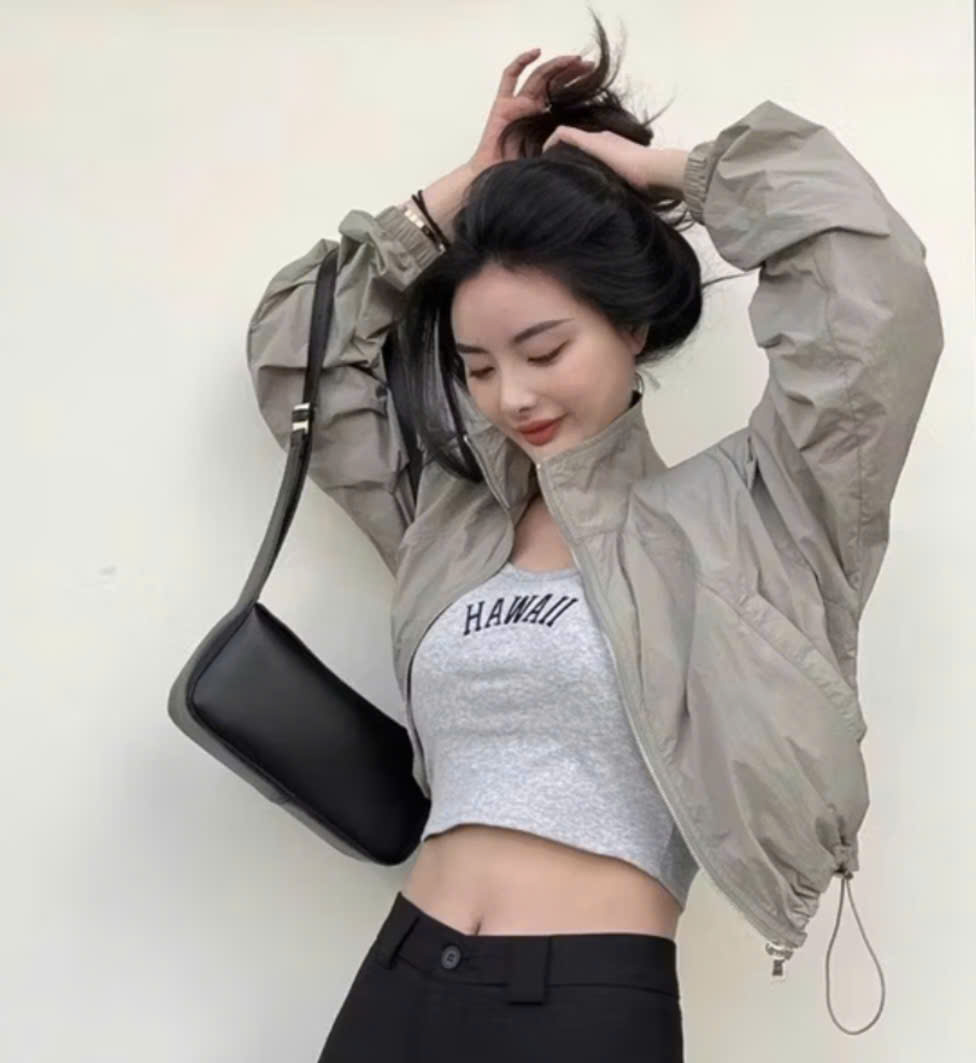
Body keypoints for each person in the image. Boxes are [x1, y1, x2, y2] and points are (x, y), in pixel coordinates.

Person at [245, 14, 943, 1061]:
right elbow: (297, 357)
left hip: (586, 1002)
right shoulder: (450, 521)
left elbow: (872, 298)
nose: (512, 395)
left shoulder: (758, 519)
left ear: (629, 325)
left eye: (543, 348)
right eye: (479, 367)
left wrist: (676, 175)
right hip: (401, 973)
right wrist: (460, 195)